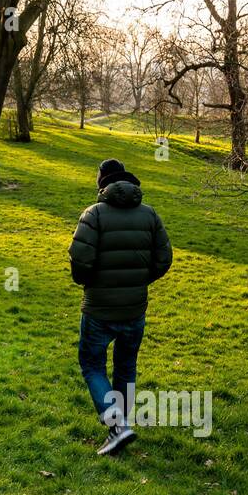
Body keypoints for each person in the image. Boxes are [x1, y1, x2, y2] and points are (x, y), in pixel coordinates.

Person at [68, 158, 173, 455]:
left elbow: (80, 260)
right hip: (134, 309)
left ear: (103, 182)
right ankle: (121, 425)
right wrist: (139, 281)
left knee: (92, 365)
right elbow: (164, 259)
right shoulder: (150, 215)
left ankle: (118, 426)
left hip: (98, 309)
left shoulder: (94, 215)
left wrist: (88, 282)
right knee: (126, 366)